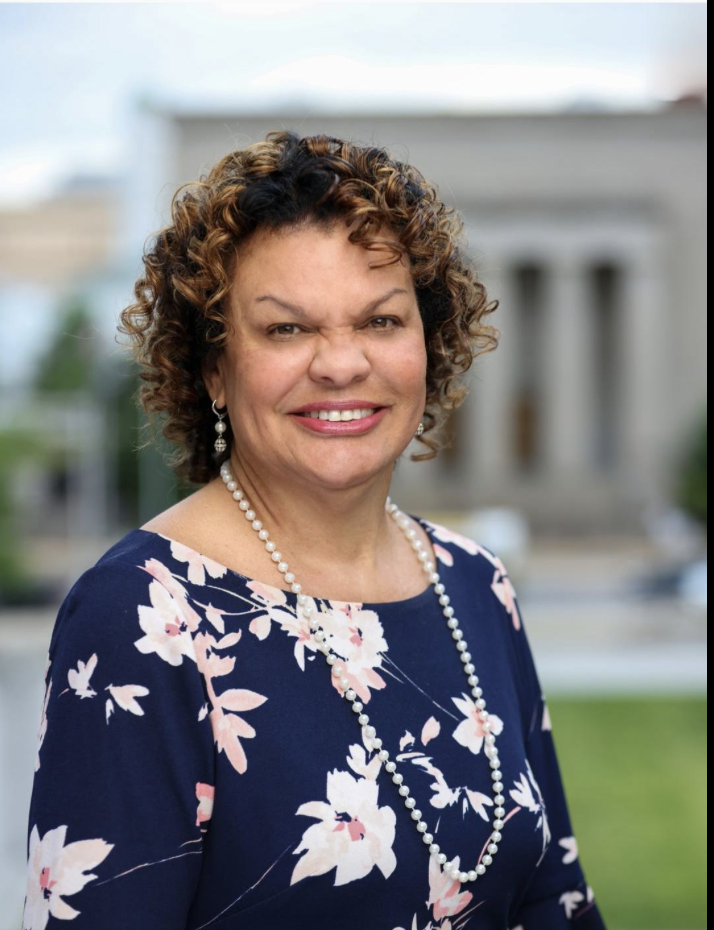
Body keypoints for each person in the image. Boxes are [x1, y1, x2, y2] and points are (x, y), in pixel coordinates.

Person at [22, 130, 607, 930]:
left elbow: (553, 898)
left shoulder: (476, 584)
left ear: (428, 345)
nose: (340, 364)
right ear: (213, 368)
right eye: (287, 329)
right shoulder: (141, 617)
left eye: (381, 320)